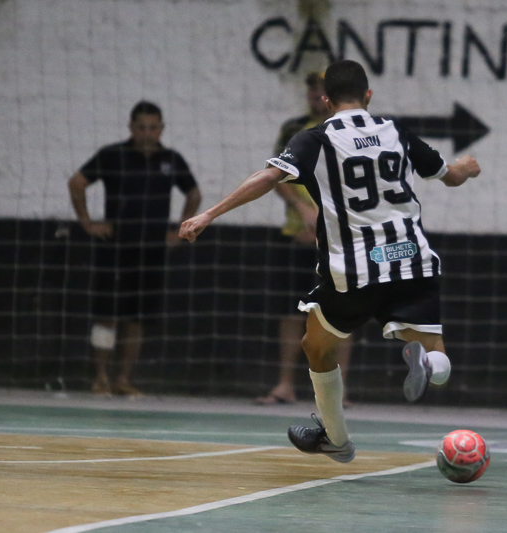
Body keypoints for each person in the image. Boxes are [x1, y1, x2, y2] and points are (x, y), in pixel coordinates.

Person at [180, 60, 480, 462]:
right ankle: (434, 364)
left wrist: (208, 215)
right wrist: (465, 167)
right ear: (368, 95)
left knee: (316, 345)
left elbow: (268, 178)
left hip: (356, 268)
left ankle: (336, 439)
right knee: (433, 345)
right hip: (412, 258)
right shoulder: (395, 131)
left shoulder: (316, 139)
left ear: (325, 99)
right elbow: (450, 176)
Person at [69, 101, 201, 397]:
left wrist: (179, 231)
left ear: (161, 129)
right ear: (131, 128)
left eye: (153, 127)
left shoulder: (171, 159)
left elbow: (194, 193)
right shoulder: (112, 155)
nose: (147, 133)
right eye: (141, 127)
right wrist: (88, 223)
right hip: (115, 246)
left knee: (138, 317)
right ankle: (100, 377)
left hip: (152, 248)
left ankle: (123, 379)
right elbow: (77, 183)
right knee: (107, 313)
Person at [257, 73, 353, 407]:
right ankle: (285, 384)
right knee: (291, 312)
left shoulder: (348, 130)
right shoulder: (294, 129)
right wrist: (301, 209)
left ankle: (340, 390)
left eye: (322, 88)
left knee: (342, 313)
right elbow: (275, 173)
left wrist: (327, 222)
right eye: (311, 87)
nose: (315, 93)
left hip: (339, 237)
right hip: (296, 235)